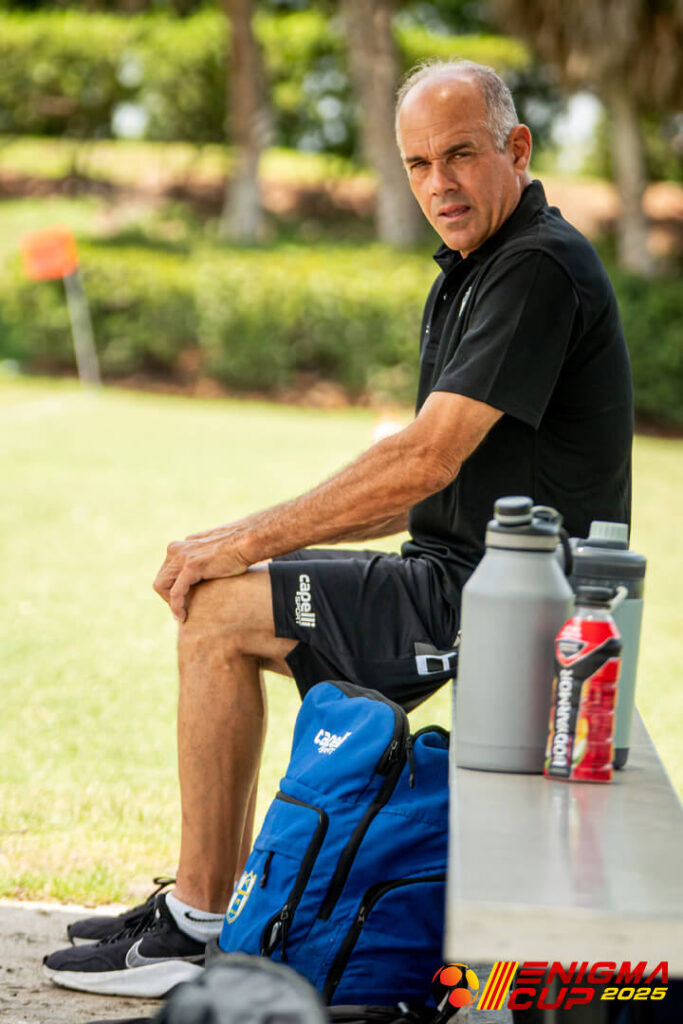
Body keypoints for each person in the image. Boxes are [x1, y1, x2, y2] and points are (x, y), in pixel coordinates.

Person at [43, 59, 633, 997]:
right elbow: (429, 486)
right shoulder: (479, 269)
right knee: (223, 602)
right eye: (417, 164)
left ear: (516, 149)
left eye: (460, 154)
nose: (438, 184)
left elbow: (424, 458)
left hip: (509, 607)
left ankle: (195, 929)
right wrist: (259, 547)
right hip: (462, 577)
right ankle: (204, 912)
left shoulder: (535, 266)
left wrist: (245, 541)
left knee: (218, 612)